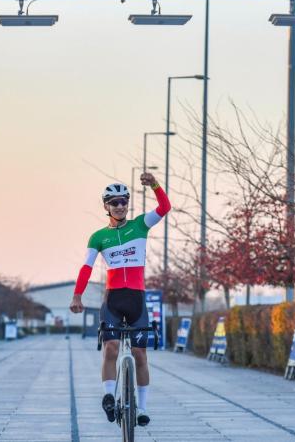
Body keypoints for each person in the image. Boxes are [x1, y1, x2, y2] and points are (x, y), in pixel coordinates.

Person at [69, 172, 170, 427]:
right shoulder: (98, 237)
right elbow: (86, 268)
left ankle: (142, 408)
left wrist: (155, 184)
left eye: (124, 201)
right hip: (113, 299)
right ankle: (108, 396)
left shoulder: (140, 225)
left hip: (137, 299)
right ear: (106, 206)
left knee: (140, 354)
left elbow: (165, 207)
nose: (120, 206)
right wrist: (77, 295)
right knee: (111, 348)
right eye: (114, 202)